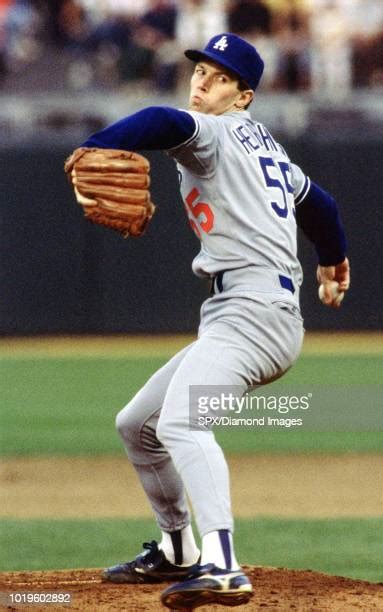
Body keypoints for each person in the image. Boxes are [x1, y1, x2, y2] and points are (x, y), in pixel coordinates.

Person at [79, 32, 350, 609]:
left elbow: (158, 118)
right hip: (249, 311)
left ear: (243, 95)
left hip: (253, 312)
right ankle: (177, 547)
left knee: (182, 422)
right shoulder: (269, 149)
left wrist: (95, 144)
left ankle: (222, 565)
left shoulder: (217, 132)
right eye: (201, 68)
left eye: (220, 75)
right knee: (139, 425)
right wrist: (333, 262)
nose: (203, 79)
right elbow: (321, 205)